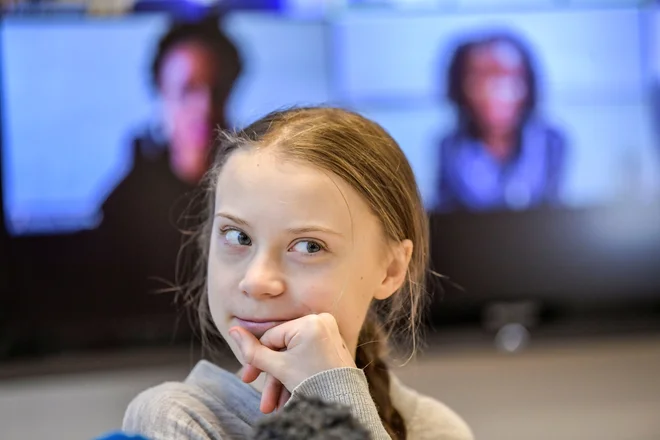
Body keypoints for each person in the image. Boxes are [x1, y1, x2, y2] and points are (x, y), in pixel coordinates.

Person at [121, 107, 473, 440]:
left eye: (308, 246)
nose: (257, 281)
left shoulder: (434, 428)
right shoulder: (175, 417)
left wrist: (333, 394)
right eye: (237, 237)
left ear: (392, 269)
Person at [94, 18, 242, 321]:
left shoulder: (256, 190)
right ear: (161, 96)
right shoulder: (123, 205)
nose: (204, 106)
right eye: (188, 90)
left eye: (216, 90)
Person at [435, 32, 567, 212]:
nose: (494, 91)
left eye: (507, 78)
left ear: (528, 84)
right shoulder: (450, 148)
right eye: (480, 79)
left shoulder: (551, 143)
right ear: (459, 87)